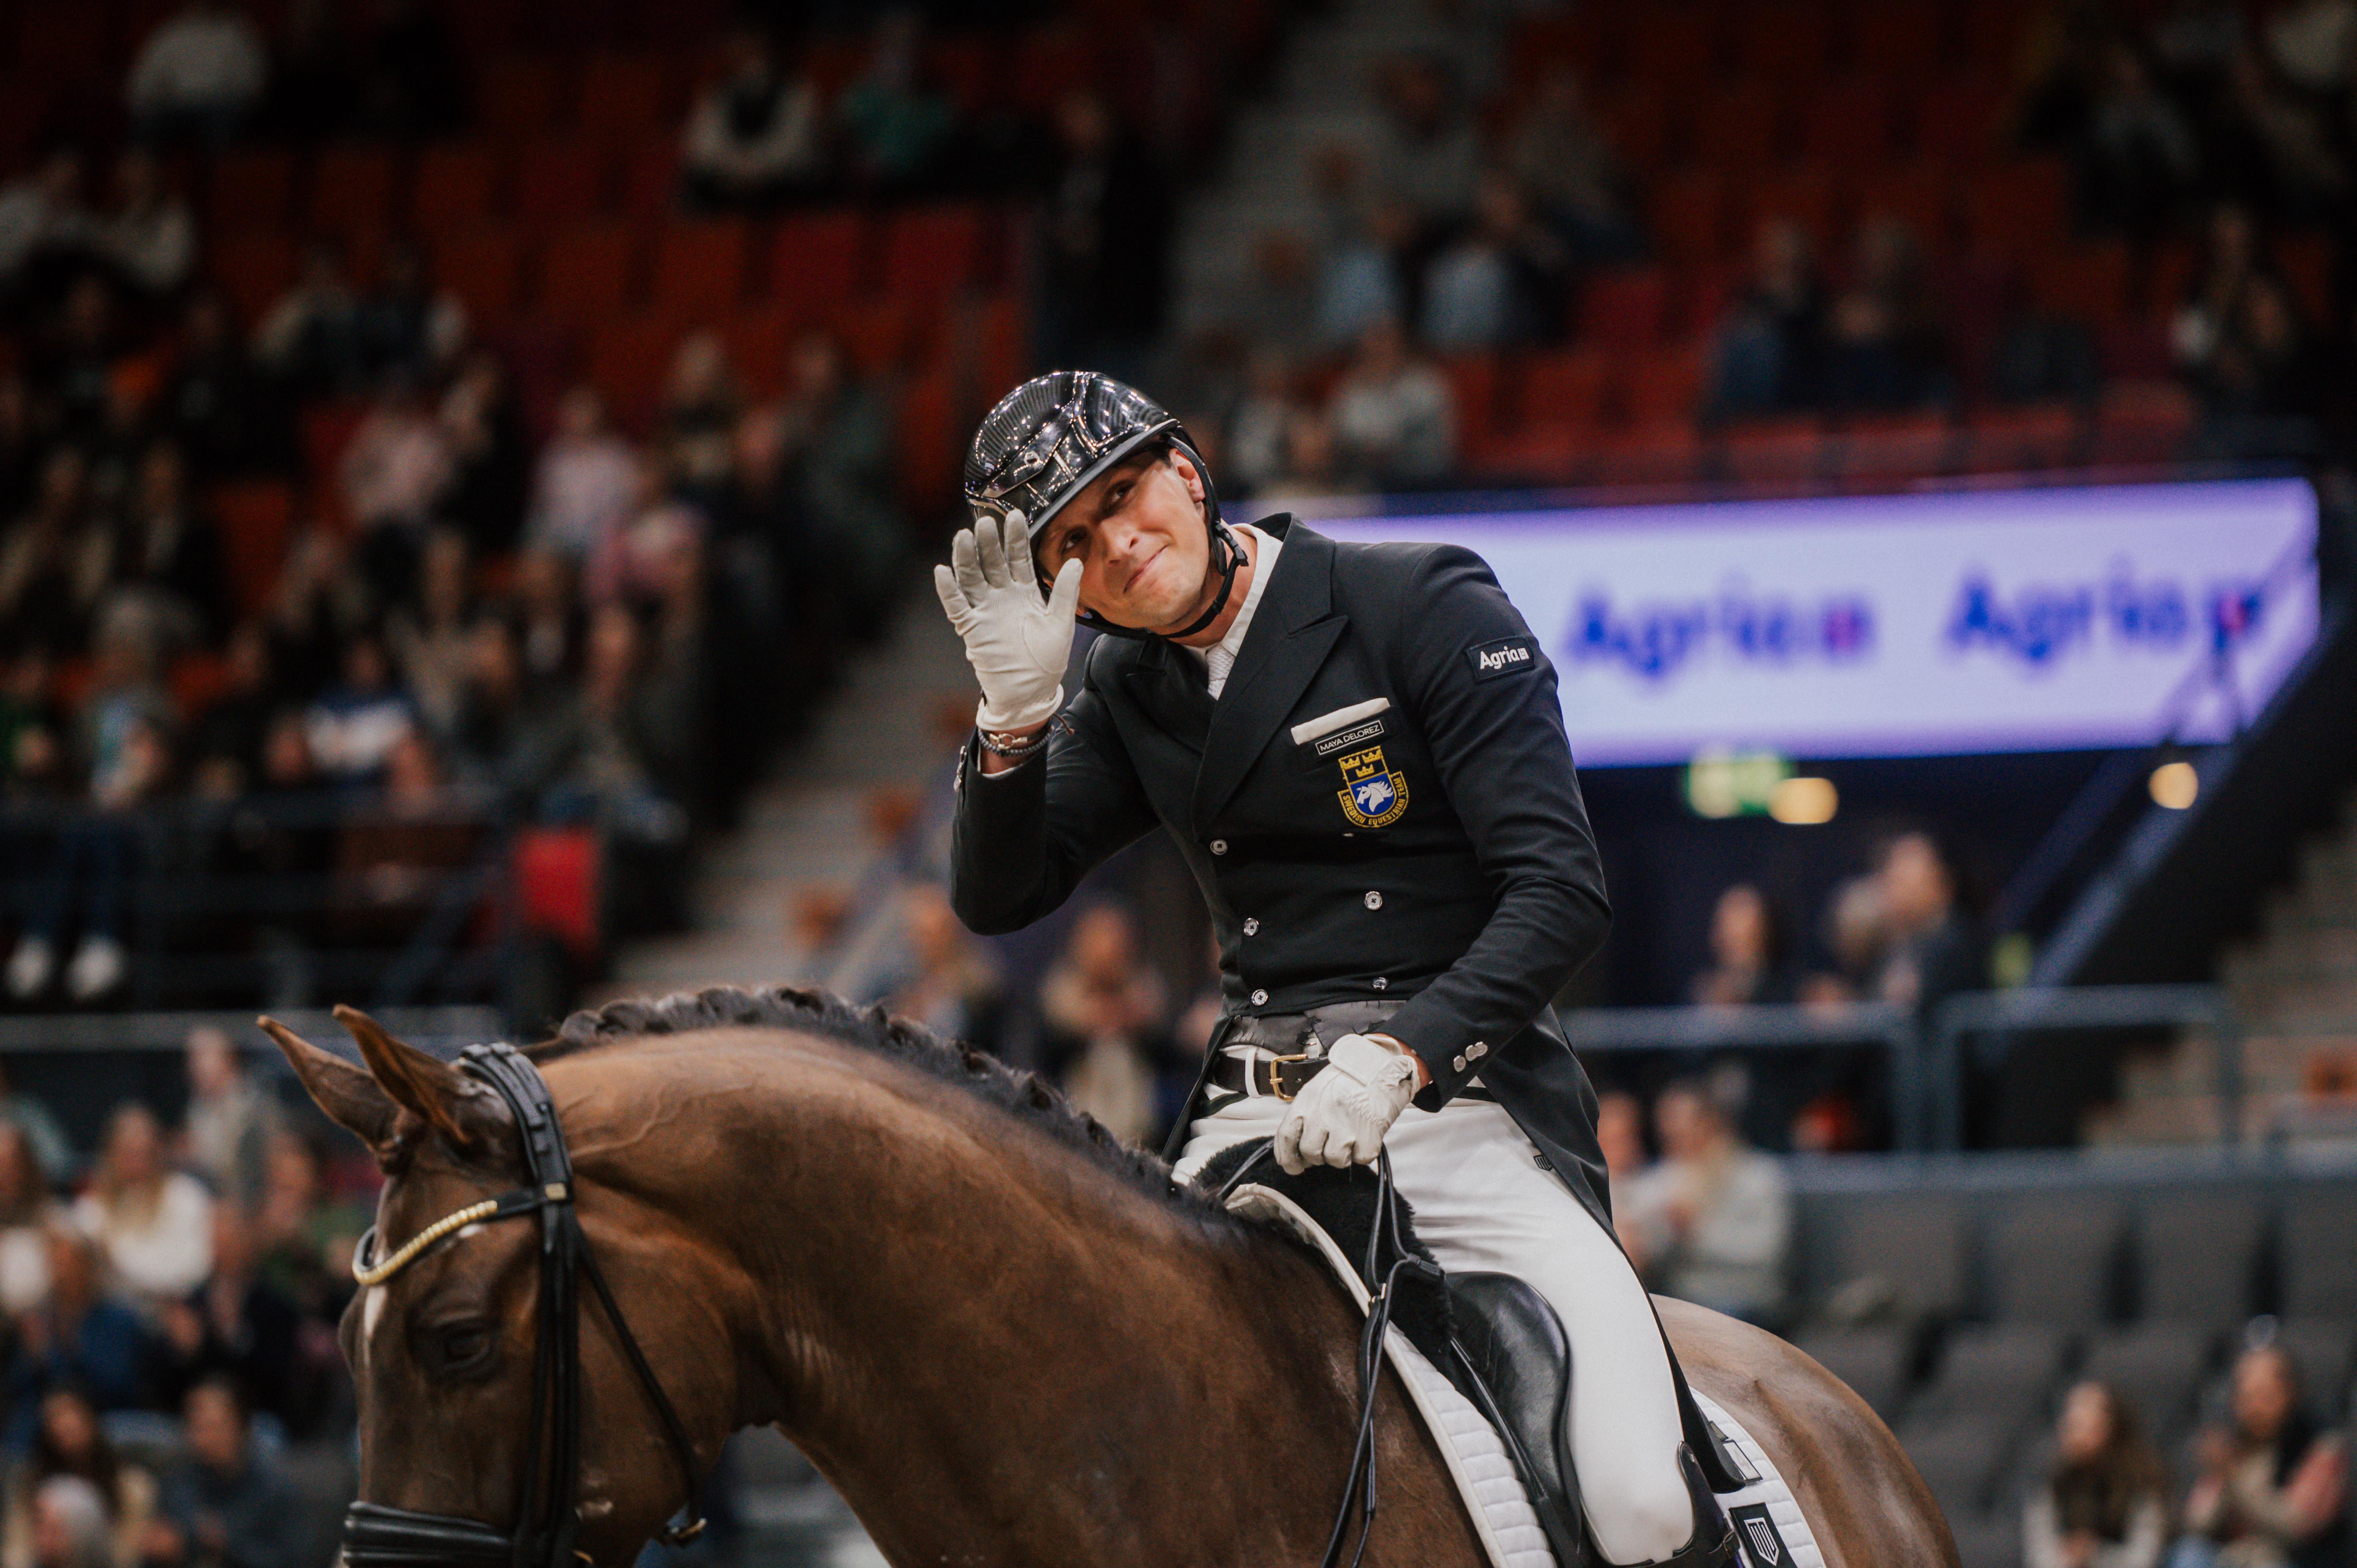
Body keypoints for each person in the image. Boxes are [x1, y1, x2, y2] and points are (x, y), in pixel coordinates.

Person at [937, 371, 1731, 1566]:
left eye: (1126, 496)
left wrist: (1405, 1055)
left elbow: (1561, 892)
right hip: (1250, 1123)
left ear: (1188, 473)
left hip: (1460, 1105)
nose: (1119, 543)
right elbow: (1000, 897)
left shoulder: (1417, 598)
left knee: (1641, 1502)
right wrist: (1011, 723)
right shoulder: (1122, 682)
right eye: (1076, 542)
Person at [1619, 1078, 1791, 1324]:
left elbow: (1766, 1251)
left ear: (1711, 1122)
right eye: (1666, 1120)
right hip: (1678, 1301)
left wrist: (1696, 1230)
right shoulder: (1661, 1179)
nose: (1672, 1129)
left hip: (1745, 1300)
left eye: (1682, 1120)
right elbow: (1646, 1248)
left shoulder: (1758, 1176)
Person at [2170, 1341, 2349, 1568]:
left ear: (2291, 1393)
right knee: (2190, 1553)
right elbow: (2197, 1523)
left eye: (2266, 1396)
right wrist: (2218, 1478)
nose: (2255, 1408)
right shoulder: (2232, 1445)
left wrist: (2235, 1477)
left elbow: (2295, 1527)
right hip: (2233, 1556)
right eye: (2246, 1398)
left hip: (2291, 1559)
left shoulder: (2321, 1445)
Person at [1036, 903, 1172, 1147]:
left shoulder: (1147, 998)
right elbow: (1044, 1059)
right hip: (1076, 1133)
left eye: (1118, 944)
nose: (1109, 953)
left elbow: (1169, 1058)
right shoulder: (1059, 1001)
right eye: (1100, 941)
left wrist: (1134, 1021)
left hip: (1143, 1136)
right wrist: (1083, 1026)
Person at [145, 1379, 304, 1568]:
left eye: (215, 1428)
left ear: (242, 1427)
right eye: (197, 1428)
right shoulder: (176, 1484)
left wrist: (226, 1543)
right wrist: (163, 1553)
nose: (204, 1439)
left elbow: (293, 1561)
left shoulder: (276, 1492)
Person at [3, 1388, 159, 1568]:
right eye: (55, 1418)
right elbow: (16, 1552)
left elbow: (128, 1555)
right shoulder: (29, 1484)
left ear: (91, 1421)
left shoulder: (131, 1485)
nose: (65, 1425)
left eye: (72, 1415)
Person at [72, 1106, 212, 1302]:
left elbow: (194, 1267)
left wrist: (120, 1266)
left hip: (178, 1302)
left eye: (144, 1155)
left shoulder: (186, 1196)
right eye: (128, 1155)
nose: (137, 1165)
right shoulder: (93, 1206)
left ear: (158, 1153)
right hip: (113, 1307)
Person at [2026, 1381, 2170, 1568]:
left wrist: (2095, 1554)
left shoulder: (2140, 1482)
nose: (2075, 1435)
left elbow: (2144, 1558)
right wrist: (2069, 1558)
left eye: (2083, 1425)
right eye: (2071, 1425)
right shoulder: (2052, 1482)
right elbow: (2040, 1555)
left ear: (2111, 1428)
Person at [680, 25, 824, 209]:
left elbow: (794, 145)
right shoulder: (717, 95)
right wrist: (736, 171)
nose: (749, 62)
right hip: (727, 181)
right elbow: (702, 148)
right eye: (741, 53)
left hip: (780, 181)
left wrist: (755, 171)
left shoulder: (797, 92)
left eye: (754, 52)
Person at [124, 0, 269, 148]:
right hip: (174, 108)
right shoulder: (170, 33)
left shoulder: (239, 33)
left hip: (220, 107)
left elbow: (252, 82)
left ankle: (224, 161)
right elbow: (144, 83)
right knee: (148, 124)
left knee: (221, 125)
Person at [176, 1029, 278, 1208]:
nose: (197, 1067)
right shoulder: (197, 1107)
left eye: (204, 1056)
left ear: (230, 1059)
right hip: (213, 1199)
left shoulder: (255, 1103)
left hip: (252, 1200)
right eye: (193, 1059)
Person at [1689, 884, 1793, 1007]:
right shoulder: (1699, 996)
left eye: (1744, 939)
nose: (1733, 934)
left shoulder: (1789, 996)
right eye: (1730, 938)